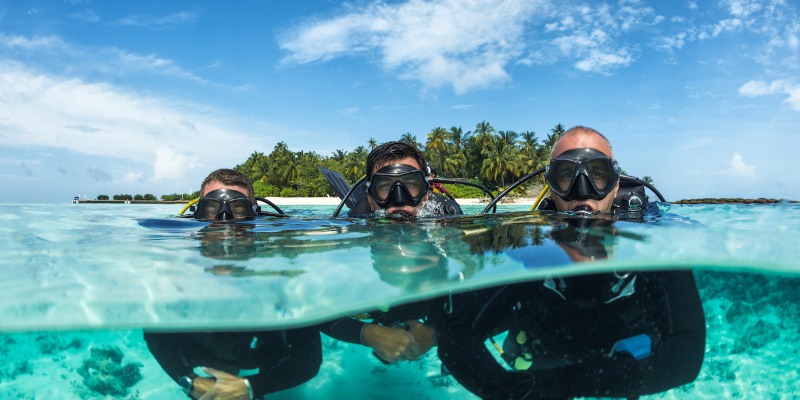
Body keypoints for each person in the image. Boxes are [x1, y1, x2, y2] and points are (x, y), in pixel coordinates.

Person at [436, 126, 706, 399]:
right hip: (539, 366)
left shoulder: (656, 239)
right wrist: (511, 391)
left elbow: (687, 355)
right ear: (551, 187)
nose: (582, 191)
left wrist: (558, 386)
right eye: (566, 175)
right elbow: (454, 334)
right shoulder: (528, 245)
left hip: (619, 373)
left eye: (597, 173)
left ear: (615, 184)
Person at [145, 168, 322, 399]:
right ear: (198, 213)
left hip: (259, 354)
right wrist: (189, 381)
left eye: (239, 211)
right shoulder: (176, 267)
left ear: (255, 214)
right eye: (211, 211)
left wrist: (250, 387)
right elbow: (155, 333)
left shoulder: (278, 274)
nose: (225, 224)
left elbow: (308, 360)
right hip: (201, 355)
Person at [321, 141, 462, 364]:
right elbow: (317, 305)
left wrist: (435, 334)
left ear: (425, 193)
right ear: (369, 196)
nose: (399, 199)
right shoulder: (355, 223)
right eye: (385, 186)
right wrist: (368, 334)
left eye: (411, 185)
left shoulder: (447, 219)